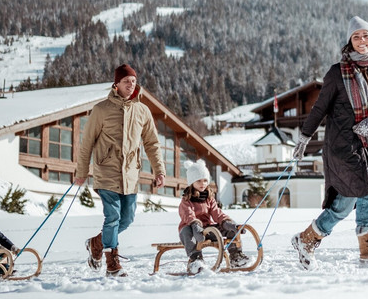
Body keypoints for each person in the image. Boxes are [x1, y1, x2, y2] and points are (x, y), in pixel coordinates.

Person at [290, 16, 368, 269]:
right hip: (342, 146)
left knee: (345, 203)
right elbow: (319, 109)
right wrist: (305, 138)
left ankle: (307, 239)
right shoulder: (337, 72)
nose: (361, 41)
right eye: (356, 37)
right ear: (349, 42)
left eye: (366, 36)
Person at [74, 64, 166, 277]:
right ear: (116, 84)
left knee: (127, 219)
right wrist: (81, 172)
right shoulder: (101, 109)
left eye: (133, 81)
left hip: (131, 174)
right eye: (126, 81)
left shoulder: (142, 110)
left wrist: (159, 171)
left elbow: (152, 143)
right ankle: (112, 262)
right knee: (113, 217)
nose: (130, 85)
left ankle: (97, 243)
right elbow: (87, 142)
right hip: (106, 171)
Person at [178, 160, 248, 273]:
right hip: (190, 229)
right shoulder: (186, 200)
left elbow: (217, 213)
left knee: (229, 229)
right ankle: (196, 260)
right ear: (191, 182)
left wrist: (227, 222)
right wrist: (195, 225)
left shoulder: (209, 198)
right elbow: (188, 215)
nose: (203, 183)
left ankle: (236, 256)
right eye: (199, 180)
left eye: (205, 180)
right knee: (186, 232)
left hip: (207, 229)